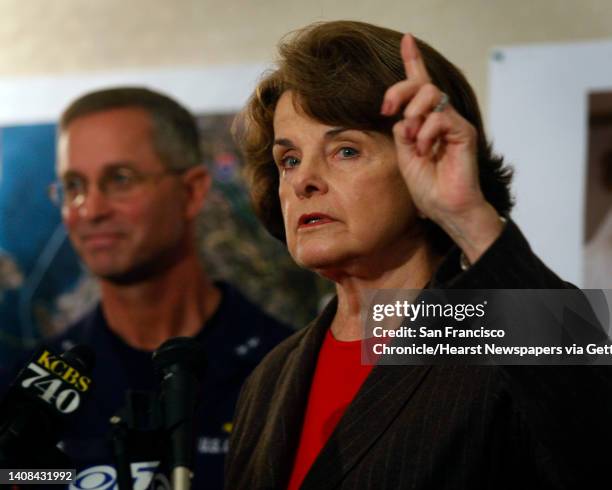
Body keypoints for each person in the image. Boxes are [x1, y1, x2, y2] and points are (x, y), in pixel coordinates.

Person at [224, 21, 612, 489]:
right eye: (289, 159)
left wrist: (470, 216)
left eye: (345, 150)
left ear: (423, 164)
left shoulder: (492, 332)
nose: (304, 180)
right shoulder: (272, 376)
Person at [18, 87, 291, 489]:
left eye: (120, 179)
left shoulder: (283, 371)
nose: (90, 210)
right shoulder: (29, 391)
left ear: (192, 191)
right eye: (73, 186)